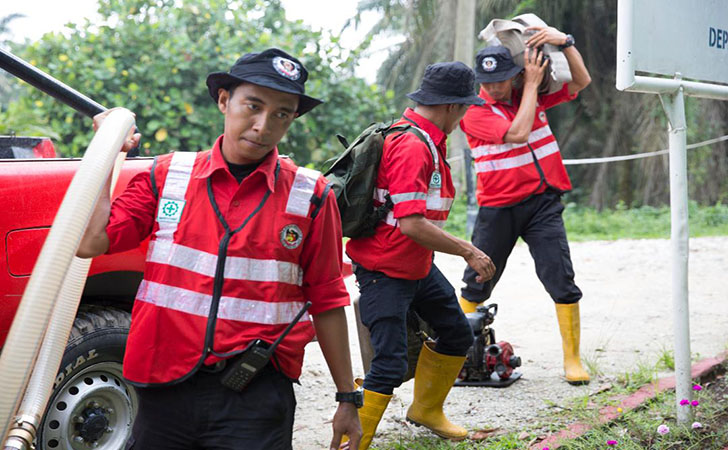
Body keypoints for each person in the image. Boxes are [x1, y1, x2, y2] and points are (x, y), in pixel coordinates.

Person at [77, 48, 362, 450]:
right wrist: (107, 153)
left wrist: (347, 398)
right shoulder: (167, 176)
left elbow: (328, 299)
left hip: (257, 393)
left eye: (282, 113)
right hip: (164, 386)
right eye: (253, 105)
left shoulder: (311, 196)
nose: (263, 126)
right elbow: (90, 242)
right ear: (225, 100)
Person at [343, 62, 496, 449]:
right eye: (463, 109)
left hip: (415, 265)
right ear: (450, 106)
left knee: (458, 332)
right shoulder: (412, 145)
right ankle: (353, 443)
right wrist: (468, 250)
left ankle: (426, 409)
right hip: (384, 269)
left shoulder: (424, 139)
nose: (463, 118)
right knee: (388, 362)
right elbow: (410, 224)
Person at [458, 26, 592, 385]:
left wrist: (566, 41)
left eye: (502, 80)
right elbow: (517, 132)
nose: (495, 87)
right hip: (498, 208)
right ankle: (453, 356)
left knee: (561, 277)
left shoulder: (529, 95)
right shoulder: (474, 111)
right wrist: (531, 85)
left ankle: (573, 360)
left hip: (543, 204)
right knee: (477, 282)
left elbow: (582, 79)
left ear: (515, 74)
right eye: (488, 81)